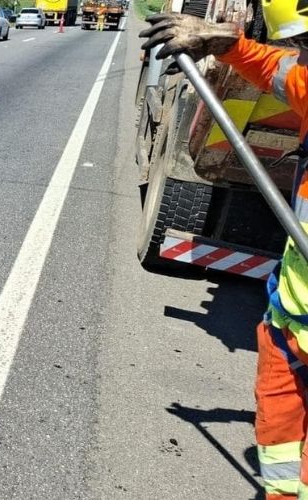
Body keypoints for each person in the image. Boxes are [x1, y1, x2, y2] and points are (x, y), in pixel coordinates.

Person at [140, 6, 308, 498]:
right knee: (280, 454)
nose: (300, 58)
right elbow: (282, 72)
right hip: (290, 322)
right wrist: (229, 44)